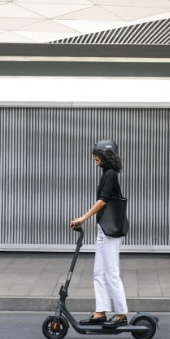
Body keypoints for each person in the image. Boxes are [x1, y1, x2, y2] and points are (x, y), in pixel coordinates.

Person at [69, 139, 129, 328]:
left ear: (105, 155)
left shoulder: (110, 174)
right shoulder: (106, 173)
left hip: (110, 231)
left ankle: (121, 314)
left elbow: (102, 201)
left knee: (111, 272)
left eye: (97, 154)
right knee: (99, 272)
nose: (94, 158)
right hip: (104, 229)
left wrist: (82, 218)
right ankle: (100, 312)